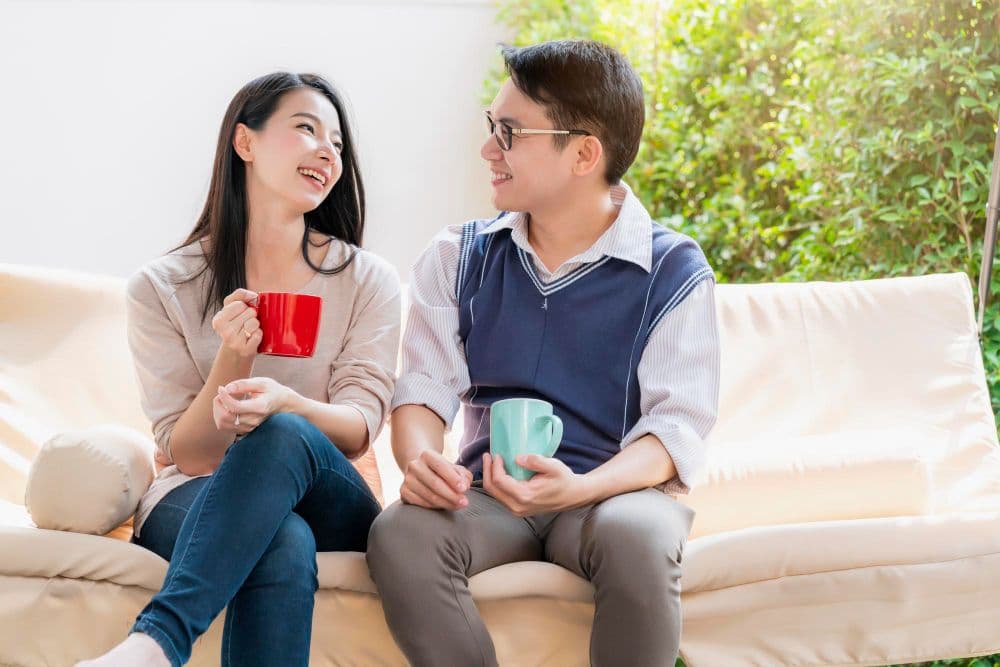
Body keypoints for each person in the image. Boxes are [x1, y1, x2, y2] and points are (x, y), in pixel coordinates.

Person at [366, 40, 720, 666]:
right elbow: (423, 387)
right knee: (401, 532)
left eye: (509, 132)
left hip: (609, 498)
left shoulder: (673, 270)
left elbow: (674, 428)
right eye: (491, 127)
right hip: (485, 497)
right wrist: (421, 461)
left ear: (584, 152)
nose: (487, 150)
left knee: (640, 535)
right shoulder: (459, 256)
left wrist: (583, 486)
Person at [77, 72, 400, 667]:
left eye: (336, 141)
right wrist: (235, 357)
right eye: (305, 129)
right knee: (279, 540)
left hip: (329, 491)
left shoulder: (365, 280)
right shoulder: (162, 287)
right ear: (244, 143)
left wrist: (288, 406)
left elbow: (359, 427)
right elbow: (192, 455)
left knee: (281, 433)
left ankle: (156, 643)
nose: (327, 150)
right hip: (197, 492)